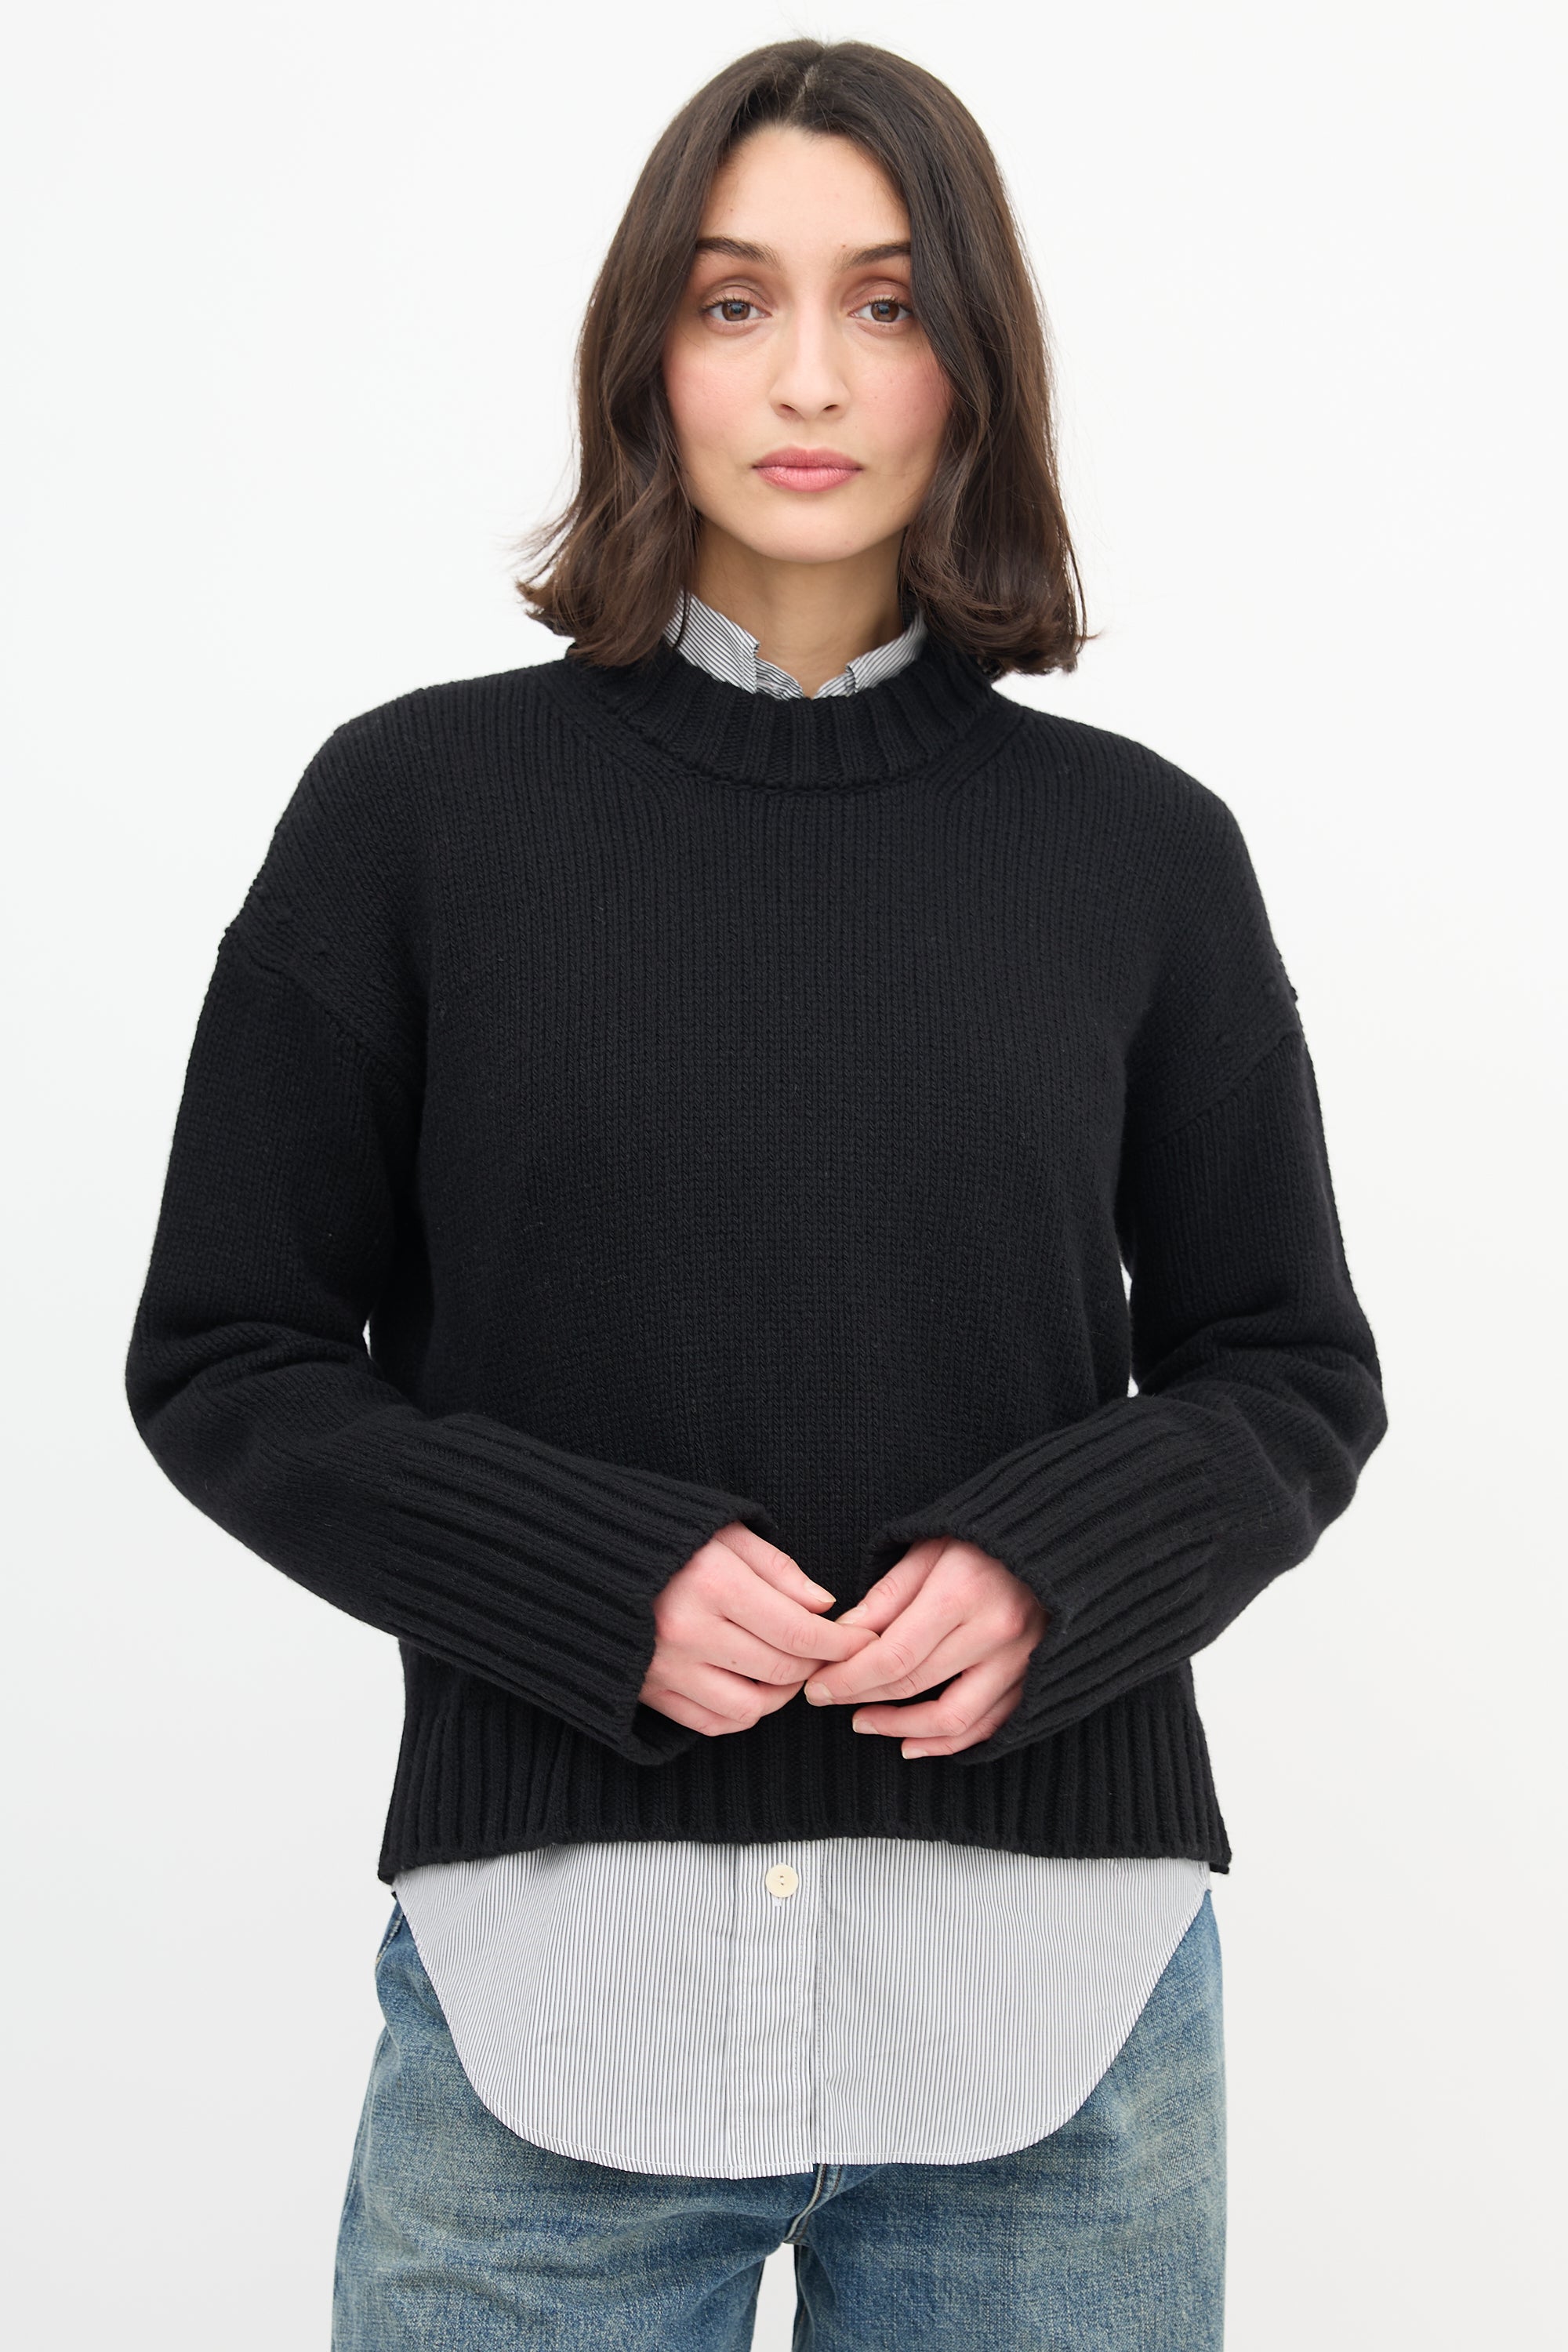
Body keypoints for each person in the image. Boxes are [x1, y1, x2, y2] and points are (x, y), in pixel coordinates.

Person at [124, 38, 1387, 2352]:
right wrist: (581, 1581)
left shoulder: (1141, 854)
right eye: (735, 301)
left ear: (974, 363)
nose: (810, 375)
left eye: (887, 304)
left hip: (1060, 2030)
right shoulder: (410, 817)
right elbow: (229, 1355)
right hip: (549, 2026)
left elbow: (1291, 1370)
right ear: (647, 351)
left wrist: (1058, 1565)